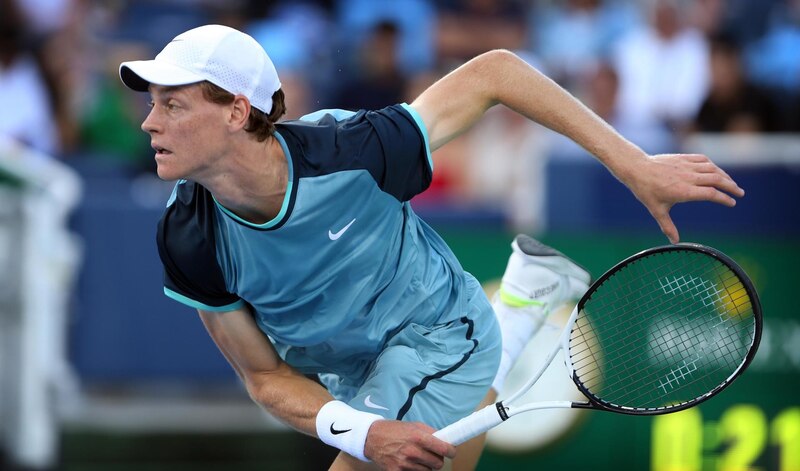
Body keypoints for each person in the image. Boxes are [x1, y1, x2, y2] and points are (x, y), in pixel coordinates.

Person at [118, 24, 744, 470]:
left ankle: (500, 330)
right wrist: (367, 431)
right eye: (152, 104)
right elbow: (264, 377)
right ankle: (519, 319)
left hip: (434, 333)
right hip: (349, 371)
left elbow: (497, 70)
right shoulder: (187, 236)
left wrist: (633, 164)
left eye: (173, 104)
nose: (150, 122)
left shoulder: (353, 152)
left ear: (236, 111)